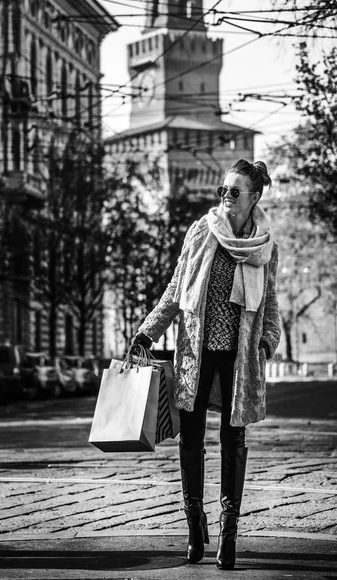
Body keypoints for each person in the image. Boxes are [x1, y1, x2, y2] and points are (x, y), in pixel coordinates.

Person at [131, 158, 281, 570]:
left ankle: (228, 536)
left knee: (233, 440)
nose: (226, 197)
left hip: (240, 358)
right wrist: (147, 331)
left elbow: (270, 306)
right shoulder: (201, 231)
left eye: (235, 191)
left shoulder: (266, 246)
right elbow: (176, 290)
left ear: (254, 197)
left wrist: (266, 344)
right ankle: (195, 527)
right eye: (222, 190)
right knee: (191, 438)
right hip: (196, 354)